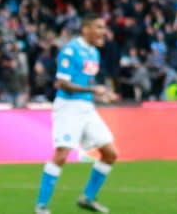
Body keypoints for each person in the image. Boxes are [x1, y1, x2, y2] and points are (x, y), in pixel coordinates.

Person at [35, 13, 119, 214]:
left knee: (110, 154)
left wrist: (102, 95)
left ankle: (87, 198)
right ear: (86, 29)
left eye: (103, 27)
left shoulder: (93, 52)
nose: (102, 31)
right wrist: (93, 90)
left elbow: (86, 82)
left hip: (86, 108)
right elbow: (62, 83)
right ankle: (41, 205)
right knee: (61, 154)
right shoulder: (71, 50)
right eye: (98, 27)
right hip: (68, 108)